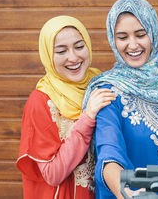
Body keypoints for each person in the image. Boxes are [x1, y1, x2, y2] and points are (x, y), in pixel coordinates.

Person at [82, 0, 158, 199]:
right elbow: (108, 154)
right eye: (122, 37)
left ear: (152, 33)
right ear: (112, 39)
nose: (132, 45)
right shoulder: (108, 91)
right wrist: (128, 192)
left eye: (140, 34)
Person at [16, 15, 116, 199]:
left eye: (79, 46)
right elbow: (52, 174)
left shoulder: (100, 83)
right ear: (47, 55)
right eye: (61, 51)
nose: (73, 57)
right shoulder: (40, 102)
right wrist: (87, 119)